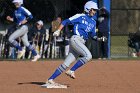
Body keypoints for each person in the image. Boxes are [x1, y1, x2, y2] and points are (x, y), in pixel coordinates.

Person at [41, 1, 100, 88]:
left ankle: (50, 79)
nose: (95, 12)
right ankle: (71, 71)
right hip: (76, 39)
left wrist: (99, 38)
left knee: (66, 64)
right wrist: (58, 30)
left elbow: (93, 35)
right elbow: (65, 21)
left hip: (81, 42)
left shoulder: (93, 22)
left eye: (95, 10)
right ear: (88, 9)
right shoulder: (80, 16)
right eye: (93, 10)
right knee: (88, 56)